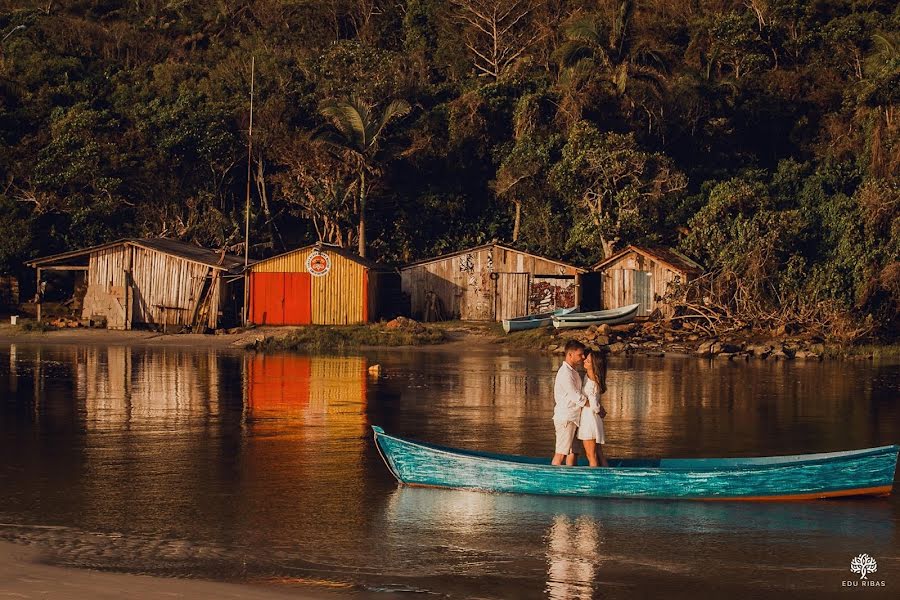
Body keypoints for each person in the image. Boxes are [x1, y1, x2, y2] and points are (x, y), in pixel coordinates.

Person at [552, 339, 587, 466]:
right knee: (561, 453)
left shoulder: (573, 372)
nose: (583, 357)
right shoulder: (565, 373)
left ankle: (571, 477)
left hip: (574, 417)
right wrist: (593, 406)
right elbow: (575, 396)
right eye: (580, 355)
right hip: (566, 418)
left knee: (573, 452)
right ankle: (554, 479)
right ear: (570, 355)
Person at [577, 348, 609, 467]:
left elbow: (594, 406)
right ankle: (606, 473)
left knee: (591, 455)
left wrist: (600, 410)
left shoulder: (591, 383)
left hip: (589, 420)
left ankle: (594, 479)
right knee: (599, 453)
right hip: (593, 420)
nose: (584, 360)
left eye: (588, 361)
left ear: (594, 365)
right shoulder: (592, 377)